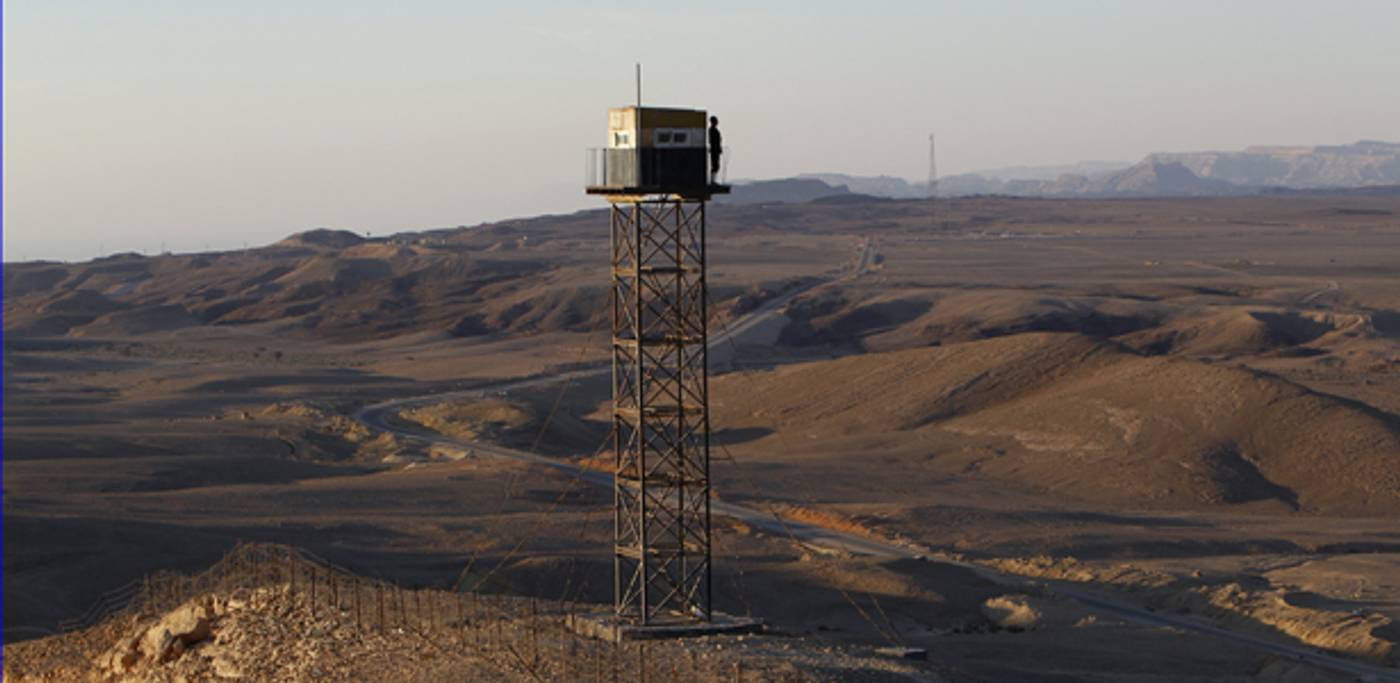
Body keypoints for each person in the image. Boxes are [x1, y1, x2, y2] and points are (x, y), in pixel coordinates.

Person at [708, 116, 722, 183]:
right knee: (715, 166)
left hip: (715, 150)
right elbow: (714, 141)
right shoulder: (713, 131)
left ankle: (713, 180)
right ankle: (712, 180)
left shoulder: (712, 130)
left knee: (716, 166)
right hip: (714, 150)